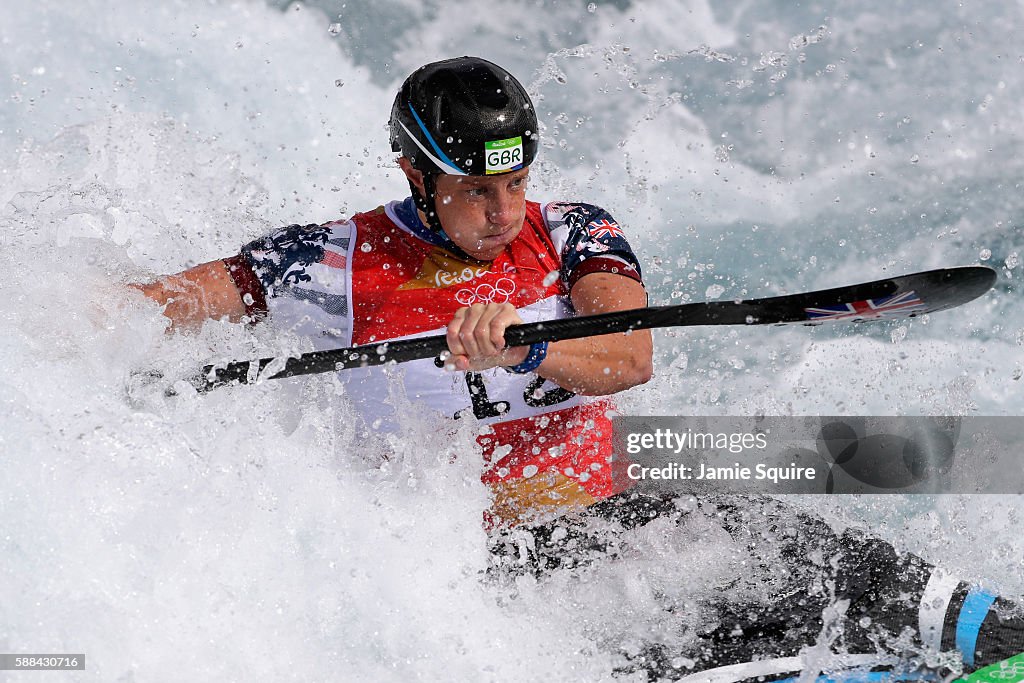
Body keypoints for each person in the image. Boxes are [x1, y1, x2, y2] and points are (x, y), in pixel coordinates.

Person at [133, 56, 1023, 680]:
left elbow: (628, 355)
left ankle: (997, 639)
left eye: (514, 184)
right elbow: (161, 303)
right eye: (475, 190)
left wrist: (529, 342)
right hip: (501, 571)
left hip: (621, 508)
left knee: (809, 552)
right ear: (415, 174)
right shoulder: (330, 262)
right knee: (721, 624)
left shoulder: (572, 231)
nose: (502, 210)